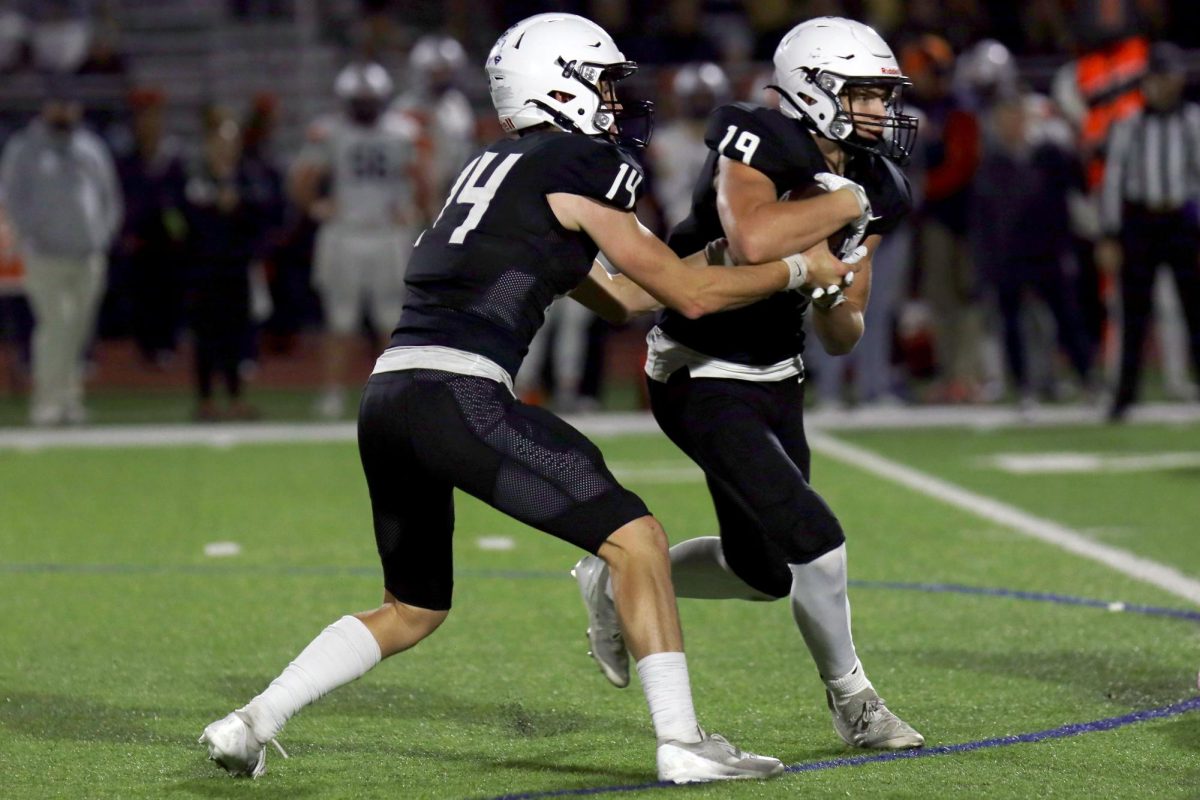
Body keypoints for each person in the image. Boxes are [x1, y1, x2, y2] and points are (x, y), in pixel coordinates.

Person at [199, 12, 854, 785]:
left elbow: (616, 299)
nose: (615, 102)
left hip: (390, 396)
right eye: (604, 84)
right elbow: (691, 297)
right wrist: (794, 272)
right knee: (637, 539)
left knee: (412, 608)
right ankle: (682, 742)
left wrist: (708, 262)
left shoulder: (496, 169)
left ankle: (251, 721)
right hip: (460, 393)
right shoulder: (580, 167)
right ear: (560, 85)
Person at [572, 16, 925, 751]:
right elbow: (753, 238)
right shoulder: (759, 133)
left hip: (778, 374)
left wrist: (832, 295)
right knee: (815, 538)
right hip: (697, 368)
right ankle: (853, 700)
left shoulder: (880, 184)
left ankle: (613, 582)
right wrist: (843, 206)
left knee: (761, 571)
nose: (880, 112)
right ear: (813, 90)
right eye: (863, 94)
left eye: (882, 96)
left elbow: (845, 327)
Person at [290, 61, 433, 419]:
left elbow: (422, 178)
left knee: (392, 320)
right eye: (360, 100)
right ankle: (334, 393)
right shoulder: (333, 132)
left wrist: (416, 212)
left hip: (386, 234)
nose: (366, 106)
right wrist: (314, 207)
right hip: (347, 232)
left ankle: (393, 396)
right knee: (340, 322)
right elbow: (302, 178)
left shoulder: (401, 131)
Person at [0, 84, 122, 426]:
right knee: (56, 326)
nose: (65, 114)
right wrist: (30, 235)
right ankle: (47, 402)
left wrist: (103, 234)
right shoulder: (24, 148)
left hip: (88, 254)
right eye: (59, 107)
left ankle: (69, 399)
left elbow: (108, 195)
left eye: (70, 107)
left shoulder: (90, 147)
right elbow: (12, 197)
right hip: (44, 256)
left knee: (77, 330)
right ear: (45, 108)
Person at [1097, 41, 1200, 422]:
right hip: (1141, 223)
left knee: (1194, 310)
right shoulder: (1129, 123)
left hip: (1180, 220)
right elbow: (1113, 181)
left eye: (1171, 76)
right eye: (1160, 77)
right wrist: (1109, 234)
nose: (1166, 85)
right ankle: (1125, 394)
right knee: (1134, 312)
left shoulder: (1193, 121)